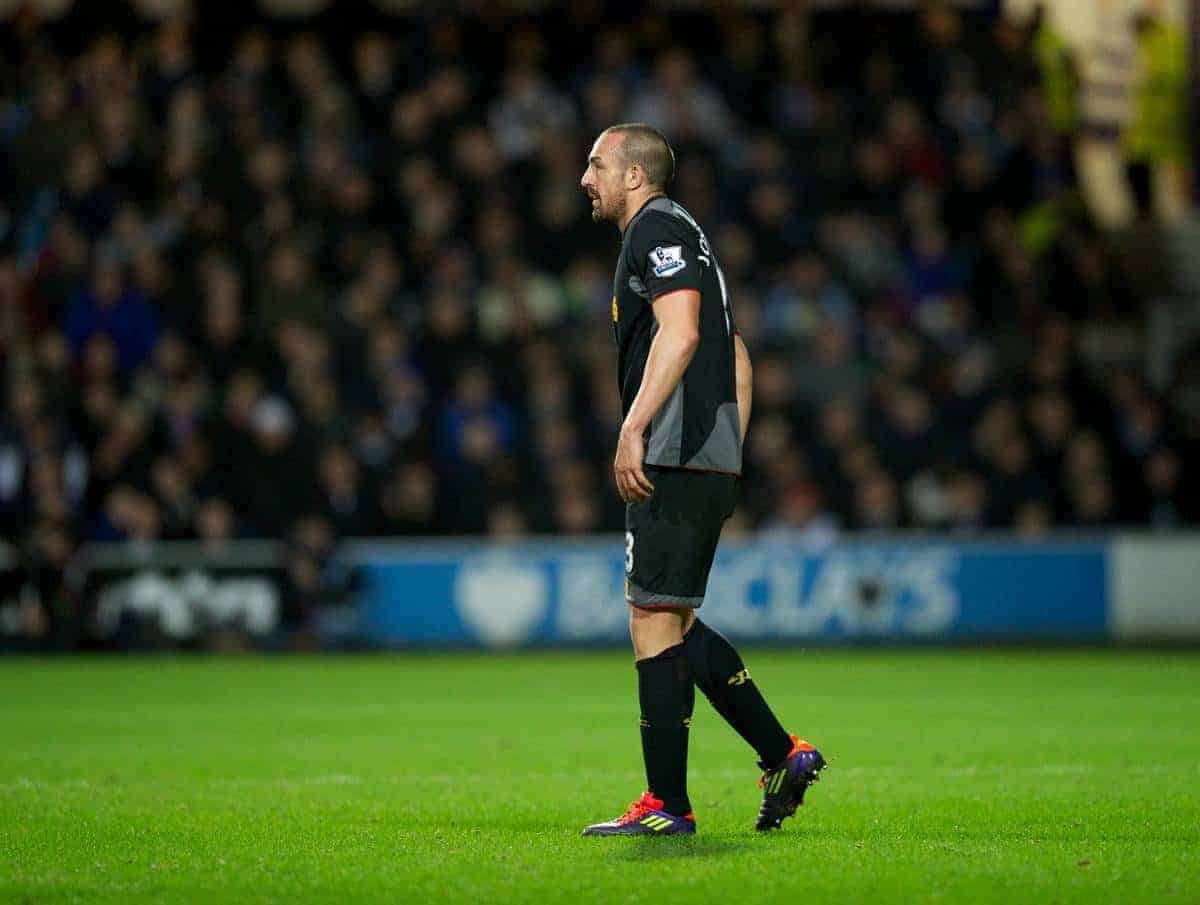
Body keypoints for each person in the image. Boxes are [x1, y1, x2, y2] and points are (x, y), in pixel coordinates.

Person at [578, 123, 826, 837]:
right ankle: (784, 754)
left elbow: (684, 333)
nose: (585, 179)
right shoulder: (687, 234)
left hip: (675, 452)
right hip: (702, 453)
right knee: (675, 619)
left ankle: (667, 804)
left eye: (596, 165)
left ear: (632, 175)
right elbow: (735, 347)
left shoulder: (656, 225)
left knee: (652, 618)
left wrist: (635, 427)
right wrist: (729, 444)